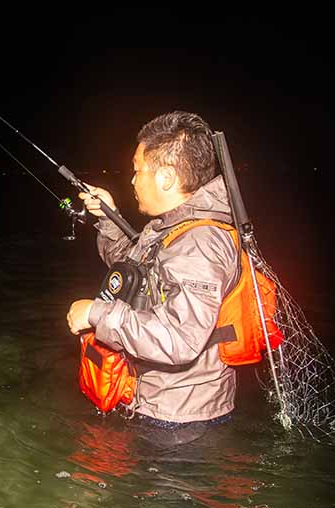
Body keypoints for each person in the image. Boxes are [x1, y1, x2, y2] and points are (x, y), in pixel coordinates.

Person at [67, 110, 239, 428]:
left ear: (166, 177)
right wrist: (107, 217)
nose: (132, 180)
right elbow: (134, 274)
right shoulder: (171, 228)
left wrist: (96, 313)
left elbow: (179, 339)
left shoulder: (199, 243)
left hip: (181, 421)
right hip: (161, 404)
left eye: (137, 170)